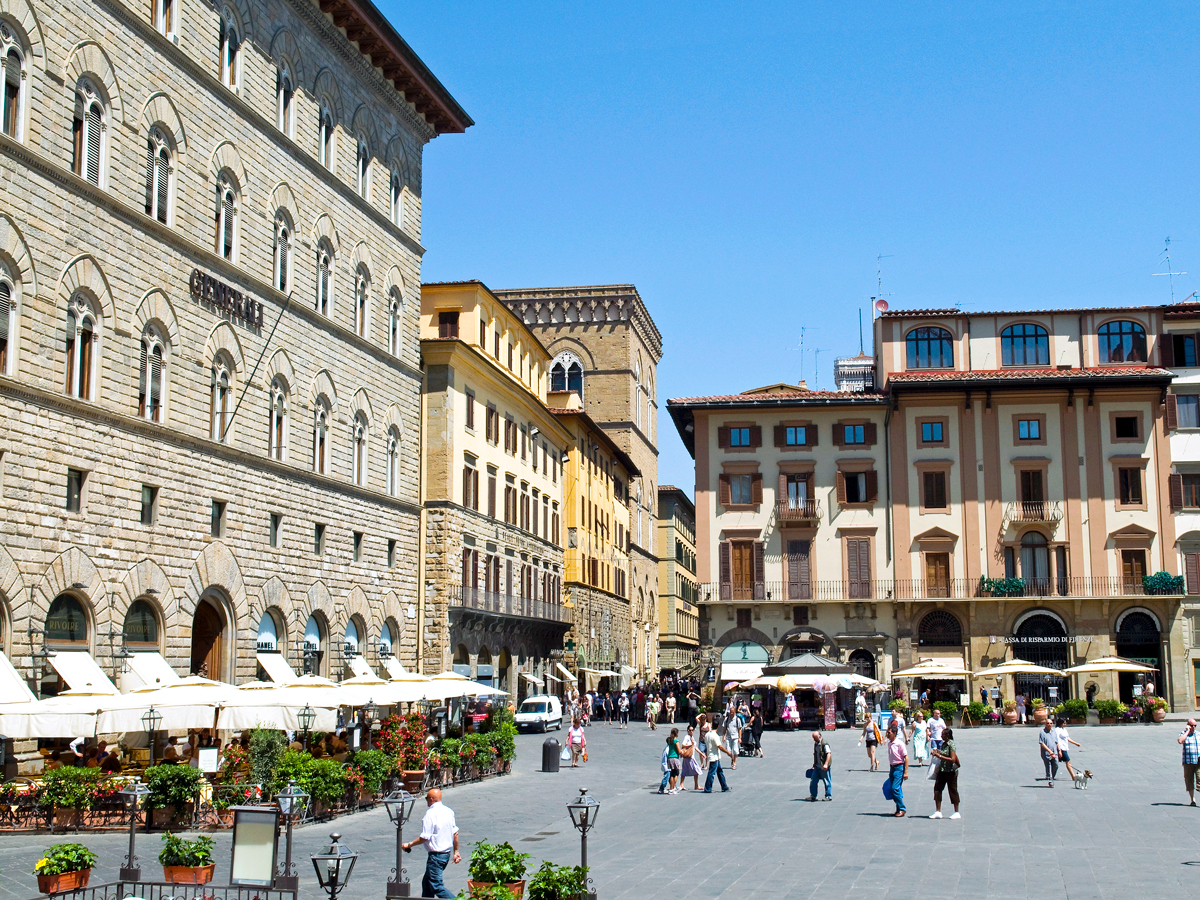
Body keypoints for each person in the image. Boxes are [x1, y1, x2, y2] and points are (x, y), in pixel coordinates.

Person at [402, 788, 460, 899]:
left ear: (432, 799)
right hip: (445, 855)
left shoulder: (430, 814)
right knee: (427, 884)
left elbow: (424, 837)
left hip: (436, 856)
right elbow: (455, 834)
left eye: (427, 799)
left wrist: (409, 845)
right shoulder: (449, 811)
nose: (427, 801)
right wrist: (456, 852)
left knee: (436, 885)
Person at [929, 726, 961, 819]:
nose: (941, 736)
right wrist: (937, 752)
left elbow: (952, 759)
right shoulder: (944, 744)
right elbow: (943, 753)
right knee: (937, 790)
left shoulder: (951, 744)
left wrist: (938, 755)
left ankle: (956, 811)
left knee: (953, 791)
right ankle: (938, 811)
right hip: (942, 770)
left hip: (951, 771)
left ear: (948, 735)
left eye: (943, 734)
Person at [703, 715, 733, 793]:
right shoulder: (715, 736)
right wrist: (728, 752)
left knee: (719, 771)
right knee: (712, 773)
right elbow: (720, 746)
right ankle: (707, 788)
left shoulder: (707, 735)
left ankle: (724, 786)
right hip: (714, 756)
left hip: (712, 755)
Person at [886, 721, 909, 816]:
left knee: (895, 788)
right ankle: (898, 808)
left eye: (889, 733)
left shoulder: (899, 743)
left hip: (899, 767)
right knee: (893, 789)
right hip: (892, 767)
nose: (887, 734)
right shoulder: (890, 743)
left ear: (894, 734)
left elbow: (906, 757)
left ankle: (902, 808)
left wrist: (906, 772)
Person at [1053, 717, 1082, 782]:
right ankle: (1073, 776)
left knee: (1057, 763)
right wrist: (1059, 750)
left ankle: (1050, 774)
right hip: (1061, 748)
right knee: (1068, 761)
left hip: (1065, 748)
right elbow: (1056, 740)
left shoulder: (1064, 730)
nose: (1065, 724)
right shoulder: (1057, 730)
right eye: (1064, 723)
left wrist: (1075, 743)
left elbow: (1067, 738)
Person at [1179, 718, 1200, 806]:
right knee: (1189, 781)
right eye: (1192, 725)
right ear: (1188, 725)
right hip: (1187, 762)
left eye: (1195, 725)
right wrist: (1187, 732)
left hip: (1198, 762)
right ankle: (1192, 800)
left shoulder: (1199, 735)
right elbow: (1180, 741)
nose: (1193, 727)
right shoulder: (1183, 734)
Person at [809, 731, 833, 801]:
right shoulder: (816, 743)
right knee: (813, 781)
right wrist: (814, 763)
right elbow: (816, 754)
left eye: (815, 738)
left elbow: (828, 754)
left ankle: (828, 796)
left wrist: (826, 764)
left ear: (819, 737)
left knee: (827, 781)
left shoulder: (824, 744)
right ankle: (813, 796)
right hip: (817, 766)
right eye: (813, 738)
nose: (814, 740)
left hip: (823, 766)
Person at [680, 725, 702, 790]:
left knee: (686, 770)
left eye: (692, 730)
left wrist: (701, 754)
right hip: (688, 757)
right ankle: (682, 785)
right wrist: (691, 744)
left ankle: (695, 785)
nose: (691, 731)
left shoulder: (692, 738)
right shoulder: (687, 737)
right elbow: (683, 745)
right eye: (690, 730)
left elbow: (695, 747)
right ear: (688, 731)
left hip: (690, 756)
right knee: (696, 769)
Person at [1039, 718, 1059, 787]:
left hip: (1055, 752)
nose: (1049, 725)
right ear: (1045, 724)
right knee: (1048, 767)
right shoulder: (1042, 732)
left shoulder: (1054, 732)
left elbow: (1056, 742)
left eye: (1051, 723)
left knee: (1056, 765)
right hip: (1046, 753)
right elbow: (1042, 743)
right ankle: (1050, 781)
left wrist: (1059, 750)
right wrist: (1050, 751)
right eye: (1048, 723)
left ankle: (1052, 777)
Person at [663, 727, 683, 793]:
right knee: (676, 773)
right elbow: (679, 750)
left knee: (672, 773)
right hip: (675, 758)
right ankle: (673, 787)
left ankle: (671, 788)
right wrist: (683, 751)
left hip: (670, 758)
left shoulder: (669, 740)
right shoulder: (676, 741)